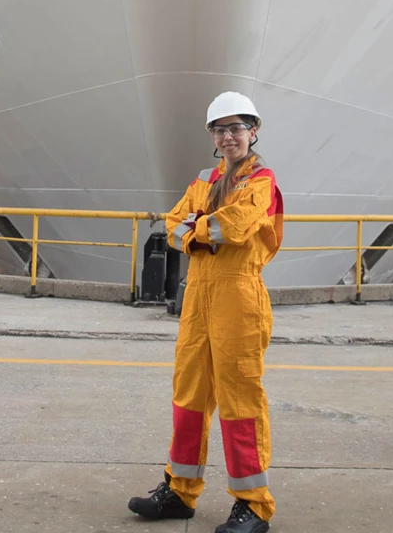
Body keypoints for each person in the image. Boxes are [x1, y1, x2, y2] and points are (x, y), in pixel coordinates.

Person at [128, 91, 283, 533]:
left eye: (237, 128)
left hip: (239, 295)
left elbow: (235, 226)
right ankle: (180, 490)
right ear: (212, 137)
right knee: (189, 396)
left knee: (240, 400)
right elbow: (172, 224)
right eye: (221, 129)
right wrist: (198, 231)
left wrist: (196, 229)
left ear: (253, 132)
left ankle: (252, 505)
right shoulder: (203, 179)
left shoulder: (261, 181)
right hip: (197, 295)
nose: (229, 136)